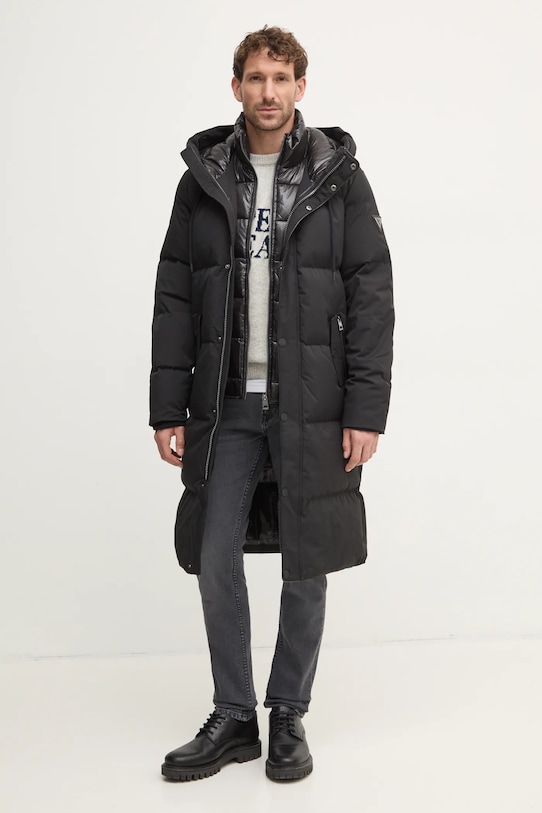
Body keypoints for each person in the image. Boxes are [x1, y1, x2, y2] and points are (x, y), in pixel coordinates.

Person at [149, 25, 394, 783]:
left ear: (300, 88)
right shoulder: (203, 179)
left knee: (305, 561)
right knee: (212, 553)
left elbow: (372, 295)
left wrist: (366, 410)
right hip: (226, 403)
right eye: (256, 77)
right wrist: (167, 407)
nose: (268, 91)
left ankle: (288, 711)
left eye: (281, 78)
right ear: (236, 87)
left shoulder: (336, 176)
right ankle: (234, 714)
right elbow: (174, 296)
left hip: (310, 402)